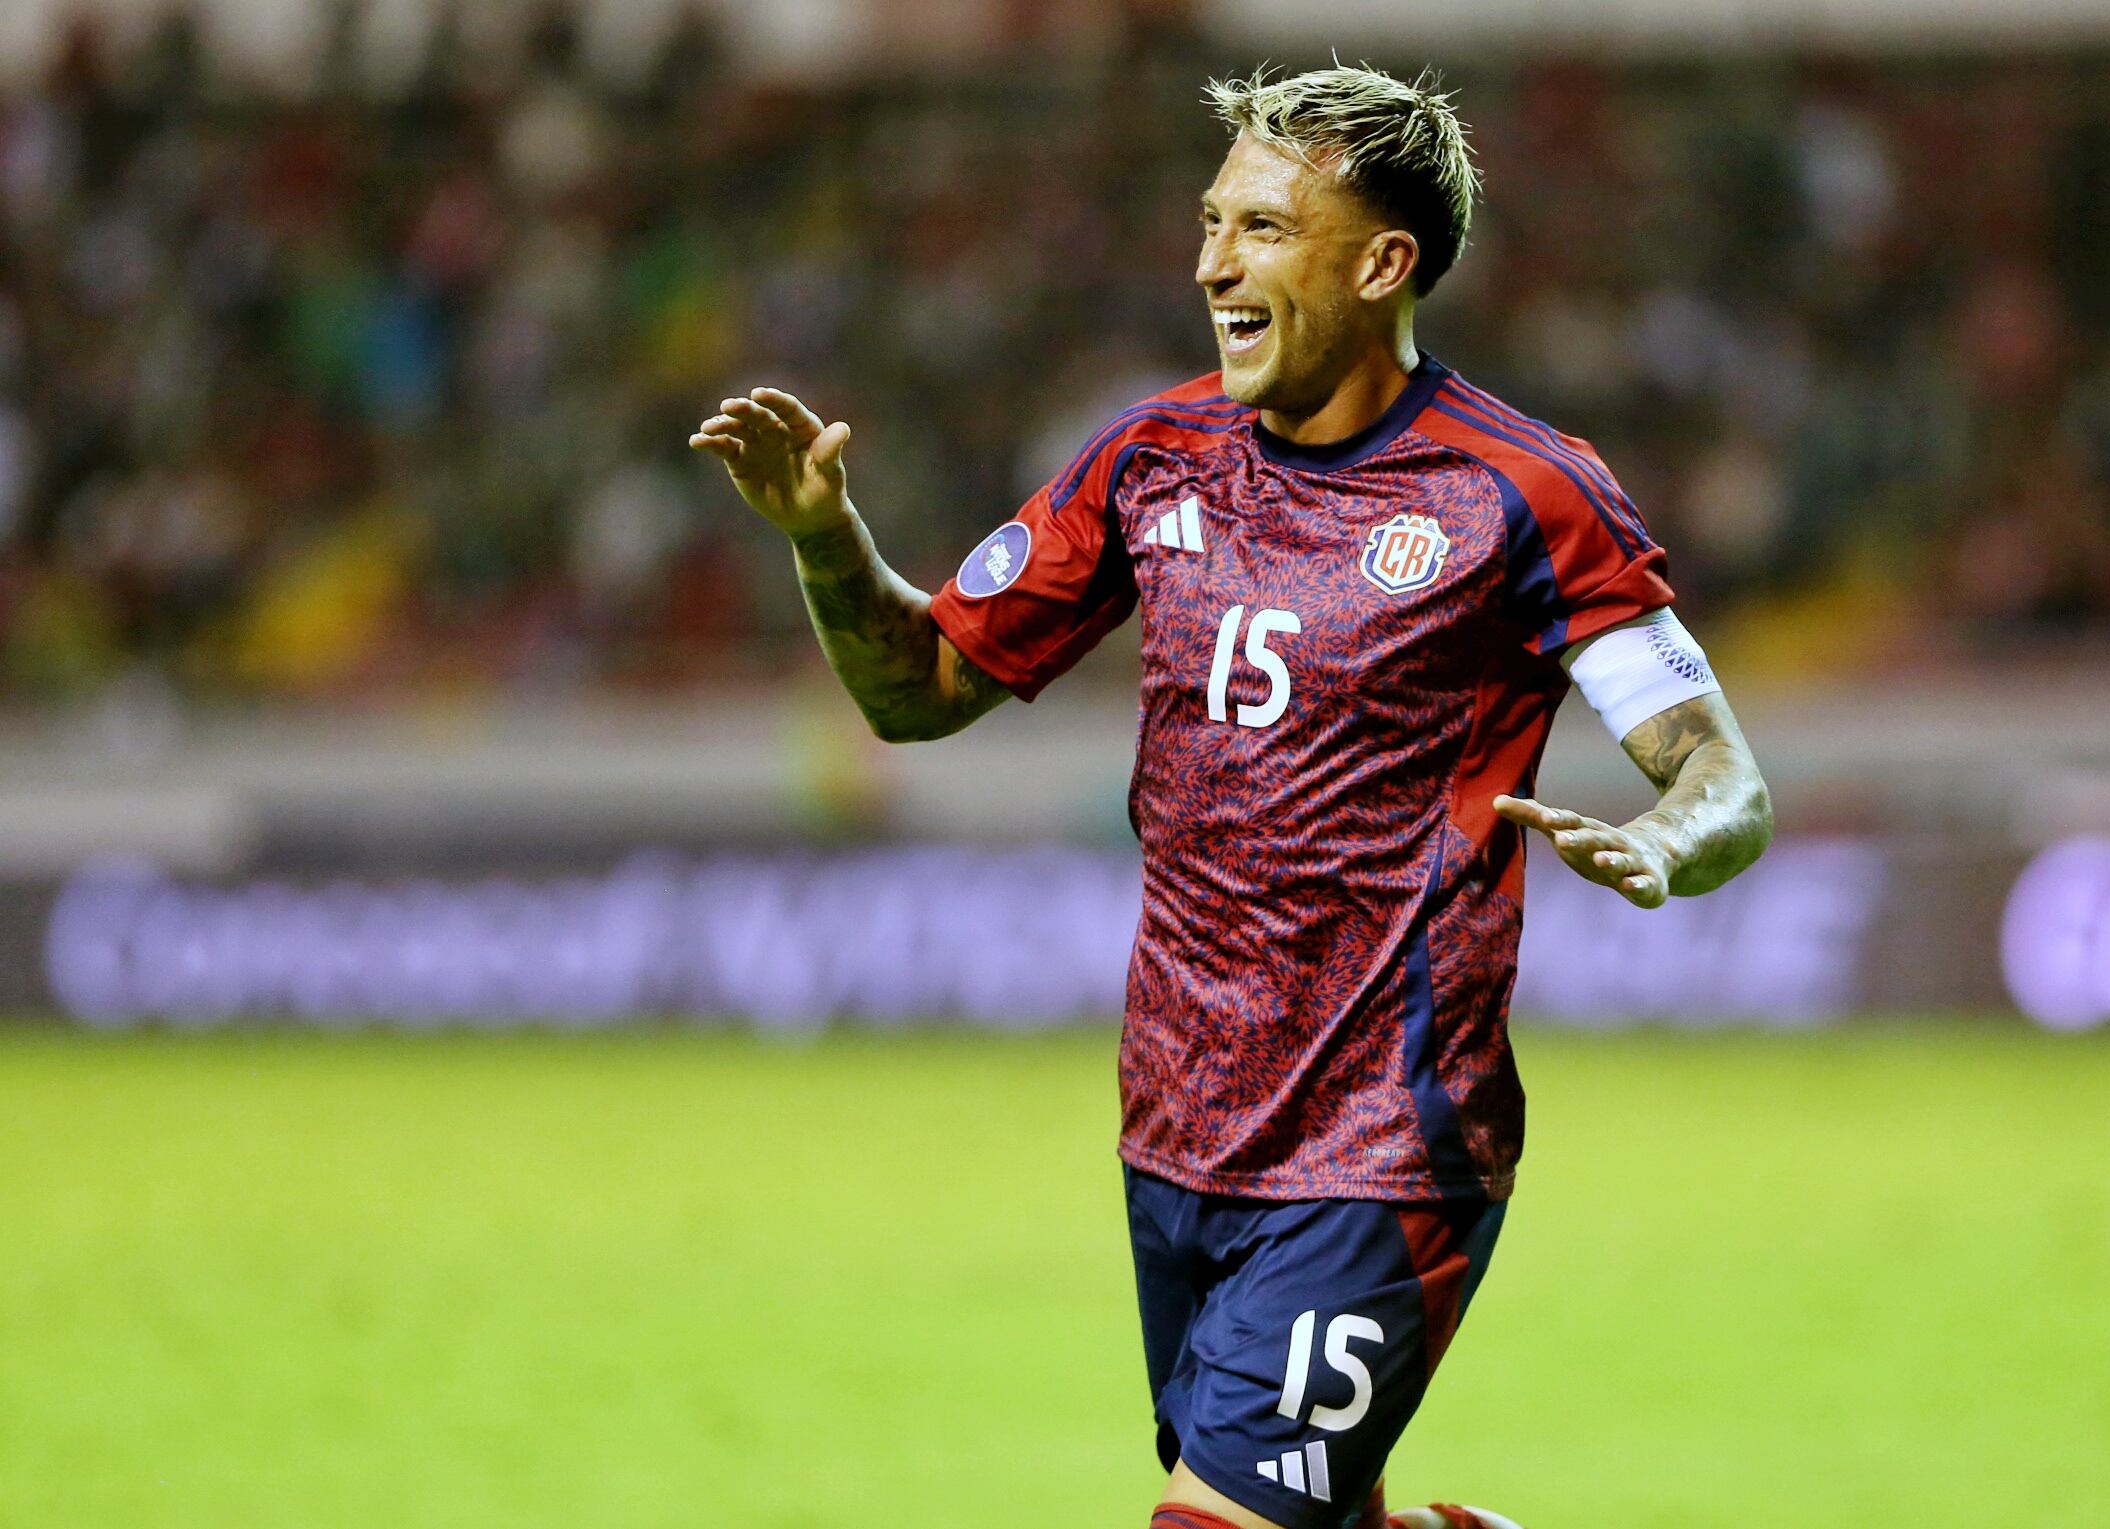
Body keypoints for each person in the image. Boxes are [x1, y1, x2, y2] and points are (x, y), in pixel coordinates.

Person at [692, 63, 1772, 1529]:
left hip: (1388, 1134)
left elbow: (1720, 776)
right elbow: (920, 689)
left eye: (1262, 227)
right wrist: (827, 544)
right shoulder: (1150, 458)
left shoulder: (1527, 491)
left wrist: (1664, 842)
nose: (1211, 262)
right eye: (1212, 222)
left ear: (1381, 262)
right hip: (1179, 1123)